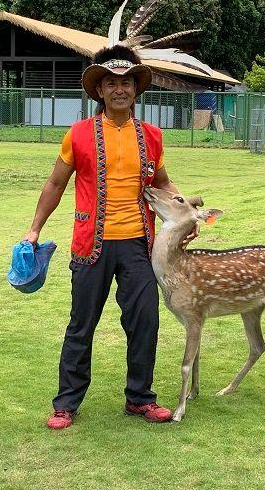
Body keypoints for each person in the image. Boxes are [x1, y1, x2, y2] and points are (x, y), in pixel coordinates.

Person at [23, 44, 195, 429]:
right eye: (111, 83)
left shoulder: (151, 136)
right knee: (81, 324)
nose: (120, 89)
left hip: (138, 246)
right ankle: (66, 403)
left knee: (145, 320)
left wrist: (187, 214)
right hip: (91, 245)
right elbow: (54, 183)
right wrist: (35, 227)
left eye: (127, 83)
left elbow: (163, 183)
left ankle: (140, 399)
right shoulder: (79, 134)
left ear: (136, 90)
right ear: (100, 91)